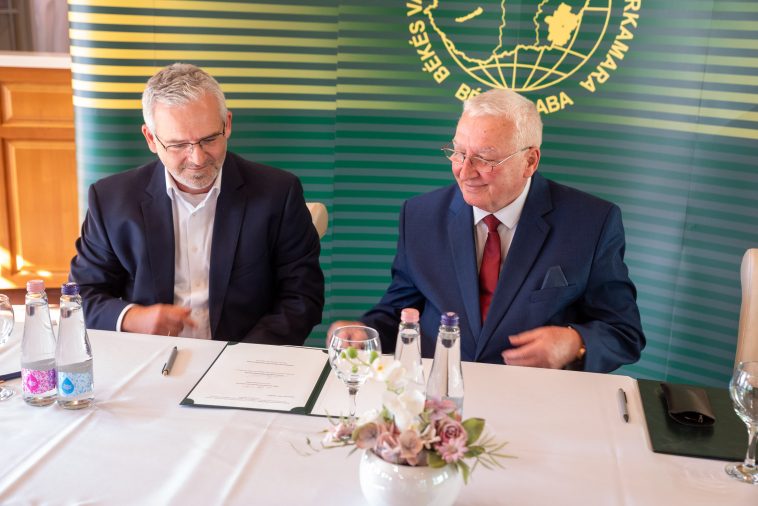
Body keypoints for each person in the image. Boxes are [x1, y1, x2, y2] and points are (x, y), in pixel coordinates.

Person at [328, 88, 644, 372]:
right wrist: (362, 332)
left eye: (484, 158)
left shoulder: (591, 222)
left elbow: (623, 332)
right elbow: (399, 312)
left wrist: (575, 343)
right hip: (438, 397)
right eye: (458, 152)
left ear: (530, 161)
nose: (464, 171)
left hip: (536, 398)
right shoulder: (421, 216)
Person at [70, 63, 324, 344]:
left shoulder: (279, 193)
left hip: (244, 356)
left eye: (209, 139)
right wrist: (132, 318)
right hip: (149, 356)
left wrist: (240, 356)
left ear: (227, 124)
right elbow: (80, 296)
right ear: (151, 139)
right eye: (179, 145)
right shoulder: (110, 199)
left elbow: (302, 298)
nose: (198, 158)